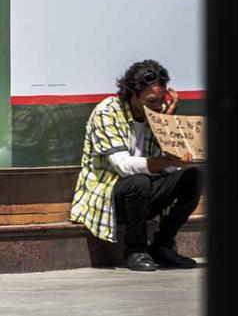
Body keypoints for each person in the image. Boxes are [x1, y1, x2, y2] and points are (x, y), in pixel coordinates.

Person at [70, 59, 203, 271]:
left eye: (161, 100)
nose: (157, 106)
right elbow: (123, 166)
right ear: (133, 94)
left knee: (193, 177)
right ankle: (135, 250)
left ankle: (162, 246)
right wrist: (166, 161)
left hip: (145, 194)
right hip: (109, 194)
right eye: (151, 101)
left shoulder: (159, 114)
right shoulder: (108, 112)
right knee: (138, 181)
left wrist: (167, 128)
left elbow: (167, 169)